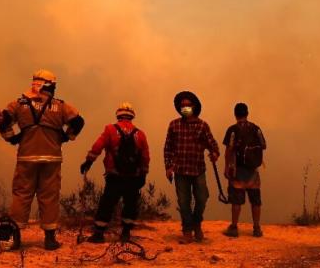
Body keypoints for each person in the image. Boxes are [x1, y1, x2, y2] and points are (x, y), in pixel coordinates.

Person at [0, 69, 85, 250]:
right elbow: (78, 122)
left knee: (22, 195)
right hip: (51, 159)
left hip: (26, 158)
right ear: (50, 85)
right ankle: (50, 238)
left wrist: (11, 137)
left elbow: (3, 118)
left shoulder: (19, 104)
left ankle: (14, 237)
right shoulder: (60, 106)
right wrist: (66, 137)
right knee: (49, 196)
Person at [80, 102, 150, 243]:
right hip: (133, 177)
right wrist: (143, 173)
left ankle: (99, 234)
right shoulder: (140, 134)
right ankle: (125, 233)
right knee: (130, 204)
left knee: (107, 203)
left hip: (114, 175)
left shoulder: (110, 129)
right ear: (132, 116)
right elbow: (145, 156)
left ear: (118, 114)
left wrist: (88, 162)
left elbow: (97, 146)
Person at [163, 91, 220, 243]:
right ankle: (187, 231)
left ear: (194, 106)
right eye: (182, 106)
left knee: (202, 198)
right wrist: (168, 167)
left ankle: (197, 223)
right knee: (183, 202)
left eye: (188, 105)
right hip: (180, 170)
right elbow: (168, 148)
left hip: (198, 169)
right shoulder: (174, 125)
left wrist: (214, 153)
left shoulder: (202, 125)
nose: (185, 108)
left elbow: (213, 145)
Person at [222, 103, 267, 238]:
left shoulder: (233, 130)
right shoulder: (256, 128)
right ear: (247, 113)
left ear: (235, 114)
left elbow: (228, 151)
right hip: (253, 170)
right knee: (255, 200)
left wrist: (226, 167)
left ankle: (234, 227)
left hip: (238, 169)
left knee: (236, 201)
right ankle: (257, 228)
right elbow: (264, 145)